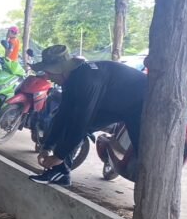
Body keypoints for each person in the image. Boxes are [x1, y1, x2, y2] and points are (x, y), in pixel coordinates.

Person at [28, 45, 147, 187]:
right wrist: (47, 146)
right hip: (114, 103)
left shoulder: (86, 80)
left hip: (141, 104)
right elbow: (63, 114)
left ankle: (148, 196)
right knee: (67, 121)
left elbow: (80, 122)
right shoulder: (71, 80)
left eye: (50, 73)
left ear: (61, 71)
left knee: (145, 154)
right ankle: (61, 173)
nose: (48, 77)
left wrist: (59, 155)